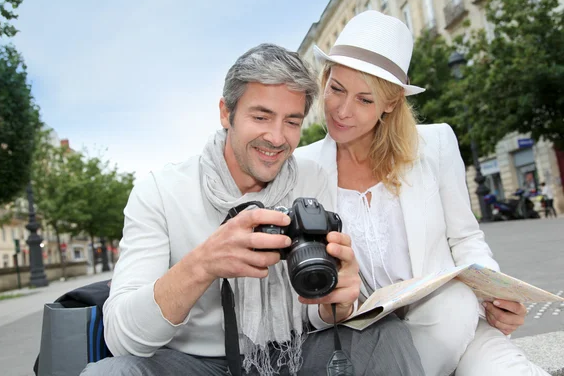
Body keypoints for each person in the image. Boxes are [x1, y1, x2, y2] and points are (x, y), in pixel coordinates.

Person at [81, 43, 424, 376]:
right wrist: (203, 264)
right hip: (191, 361)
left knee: (387, 336)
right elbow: (122, 338)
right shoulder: (159, 190)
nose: (276, 138)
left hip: (293, 352)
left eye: (291, 122)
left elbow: (320, 316)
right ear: (225, 113)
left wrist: (336, 302)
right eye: (261, 116)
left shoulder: (311, 178)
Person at [296, 11, 548, 376]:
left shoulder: (436, 144)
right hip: (369, 340)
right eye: (336, 89)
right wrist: (332, 306)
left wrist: (498, 294)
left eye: (365, 100)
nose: (342, 110)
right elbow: (307, 288)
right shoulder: (303, 167)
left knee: (463, 310)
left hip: (456, 328)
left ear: (391, 102)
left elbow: (466, 238)